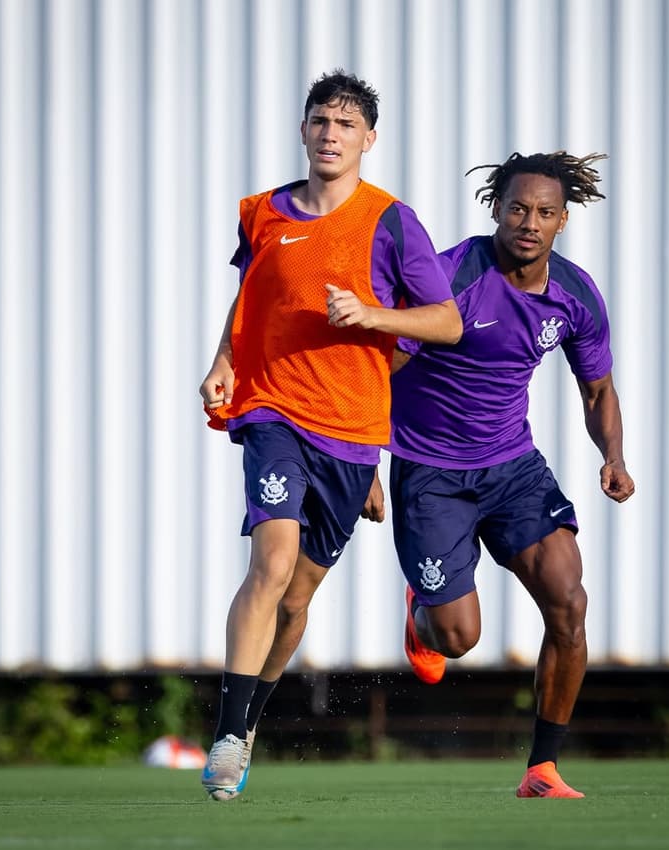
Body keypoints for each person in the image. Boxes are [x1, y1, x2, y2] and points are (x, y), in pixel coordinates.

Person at [198, 69, 462, 801]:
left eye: (346, 125)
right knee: (271, 563)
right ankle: (224, 733)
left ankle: (248, 720)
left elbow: (446, 323)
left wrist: (374, 317)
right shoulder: (264, 213)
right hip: (273, 410)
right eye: (321, 121)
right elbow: (250, 301)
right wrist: (223, 361)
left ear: (368, 140)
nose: (331, 134)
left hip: (351, 431)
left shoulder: (392, 221)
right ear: (304, 128)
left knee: (295, 600)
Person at [386, 151, 635, 798]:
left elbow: (597, 389)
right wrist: (364, 462)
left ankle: (542, 768)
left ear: (563, 222)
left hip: (513, 468)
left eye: (545, 212)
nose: (530, 222)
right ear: (496, 208)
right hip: (432, 473)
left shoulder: (574, 296)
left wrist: (612, 455)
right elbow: (377, 367)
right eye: (518, 208)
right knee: (460, 640)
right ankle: (424, 615)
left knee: (569, 602)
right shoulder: (452, 275)